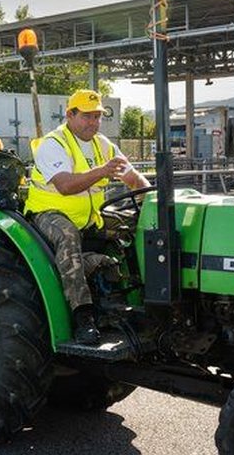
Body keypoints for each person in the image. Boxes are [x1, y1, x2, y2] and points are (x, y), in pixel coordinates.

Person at [24, 89, 149, 344]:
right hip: (48, 213)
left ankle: (138, 298)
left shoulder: (103, 145)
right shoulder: (54, 144)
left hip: (90, 217)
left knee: (133, 225)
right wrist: (102, 171)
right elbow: (65, 185)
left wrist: (150, 200)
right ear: (70, 115)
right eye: (87, 116)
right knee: (67, 235)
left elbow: (135, 179)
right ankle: (83, 317)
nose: (93, 122)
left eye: (97, 116)